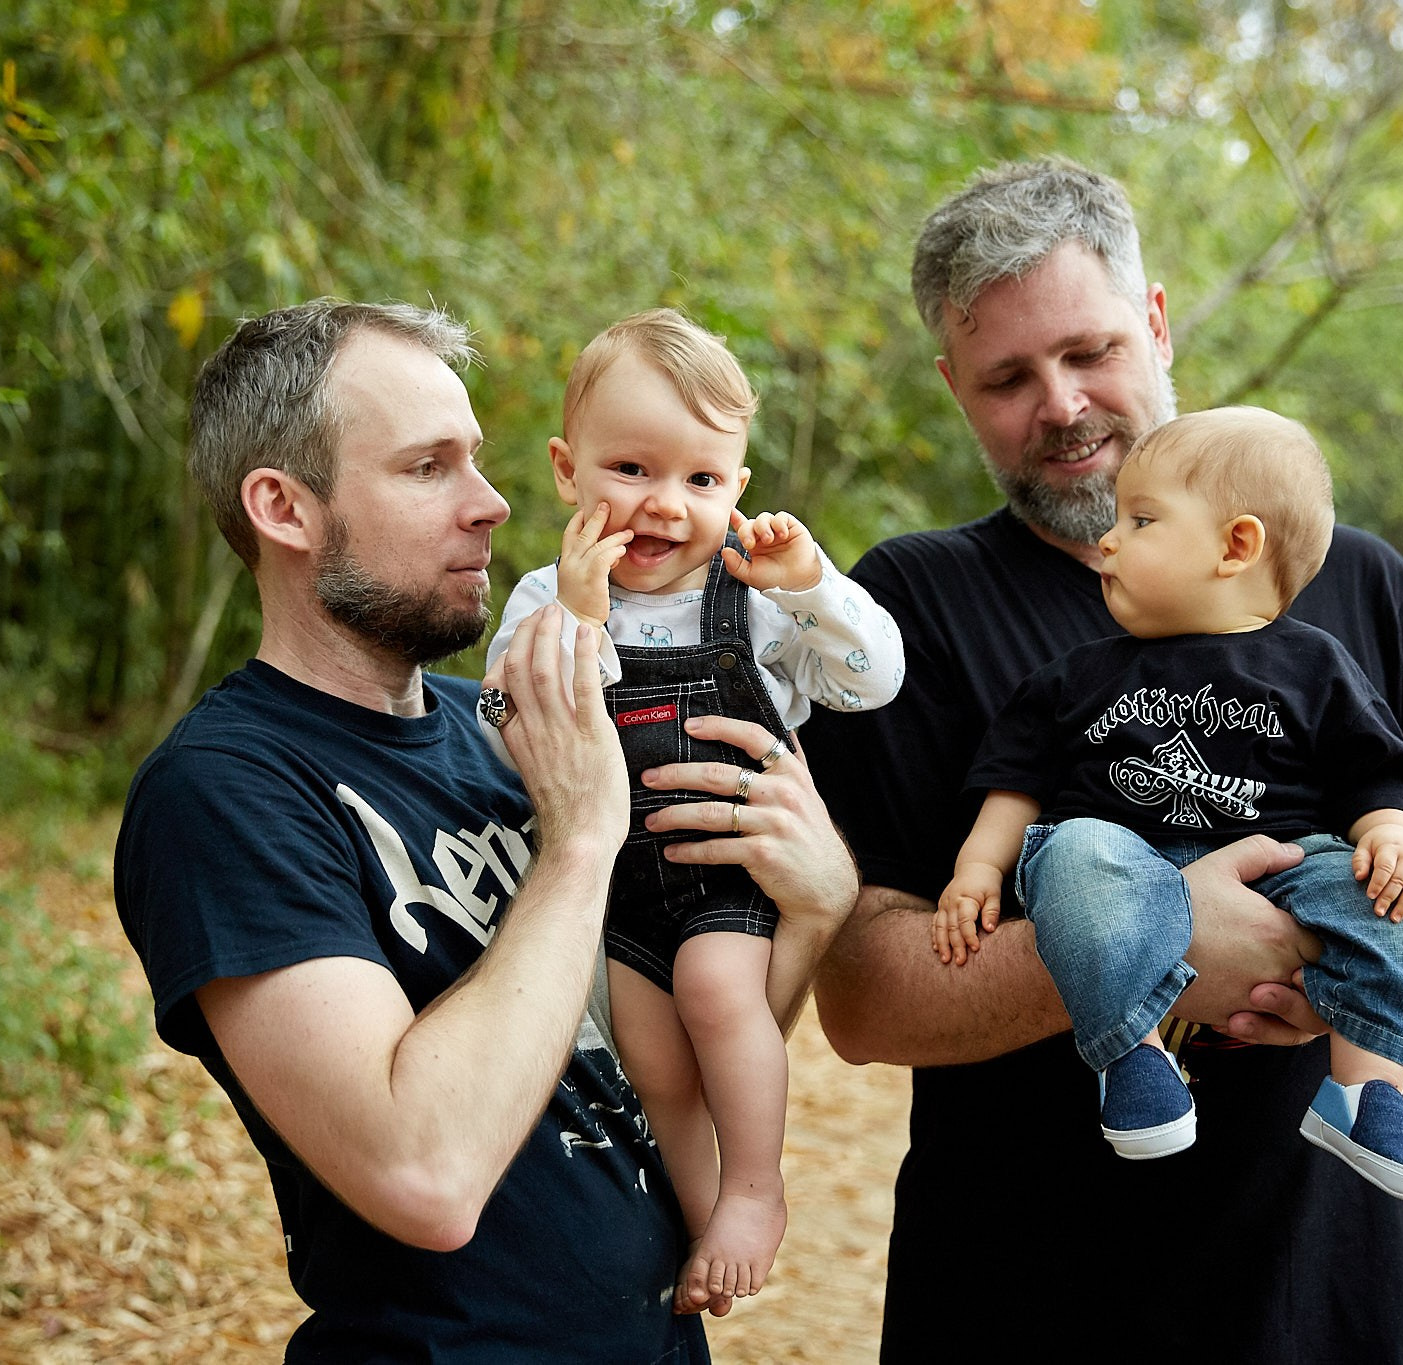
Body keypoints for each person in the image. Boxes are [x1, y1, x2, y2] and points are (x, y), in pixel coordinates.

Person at [805, 160, 1403, 1362]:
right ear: (952, 386)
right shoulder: (904, 610)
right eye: (1007, 377)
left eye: (1090, 350)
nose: (1061, 405)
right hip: (1021, 1305)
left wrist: (1329, 953)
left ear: (1157, 322)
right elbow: (860, 994)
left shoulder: (1353, 584)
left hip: (1337, 1300)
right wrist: (1154, 936)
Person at [112, 298, 858, 1361]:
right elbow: (425, 1175)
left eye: (477, 461)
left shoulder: (512, 727)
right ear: (285, 508)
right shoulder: (228, 791)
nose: (493, 504)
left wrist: (814, 913)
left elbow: (666, 1072)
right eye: (428, 469)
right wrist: (583, 835)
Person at [482, 307, 903, 1308]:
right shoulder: (544, 597)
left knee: (717, 993)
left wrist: (810, 586)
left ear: (737, 490)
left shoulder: (756, 599)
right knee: (655, 1060)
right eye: (630, 469)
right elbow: (505, 715)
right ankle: (703, 1213)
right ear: (565, 471)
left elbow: (869, 681)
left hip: (725, 868)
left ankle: (756, 1191)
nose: (666, 505)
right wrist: (580, 618)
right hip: (614, 891)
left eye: (701, 481)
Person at [936, 406, 1403, 1204]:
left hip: (1282, 870)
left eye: (1140, 520)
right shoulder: (1077, 675)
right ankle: (1131, 1054)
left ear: (1236, 546)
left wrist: (1393, 836)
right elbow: (1017, 781)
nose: (1108, 539)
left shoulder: (1318, 665)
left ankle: (1365, 1089)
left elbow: (1377, 771)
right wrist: (976, 868)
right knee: (1071, 853)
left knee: (1382, 898)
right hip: (1121, 859)